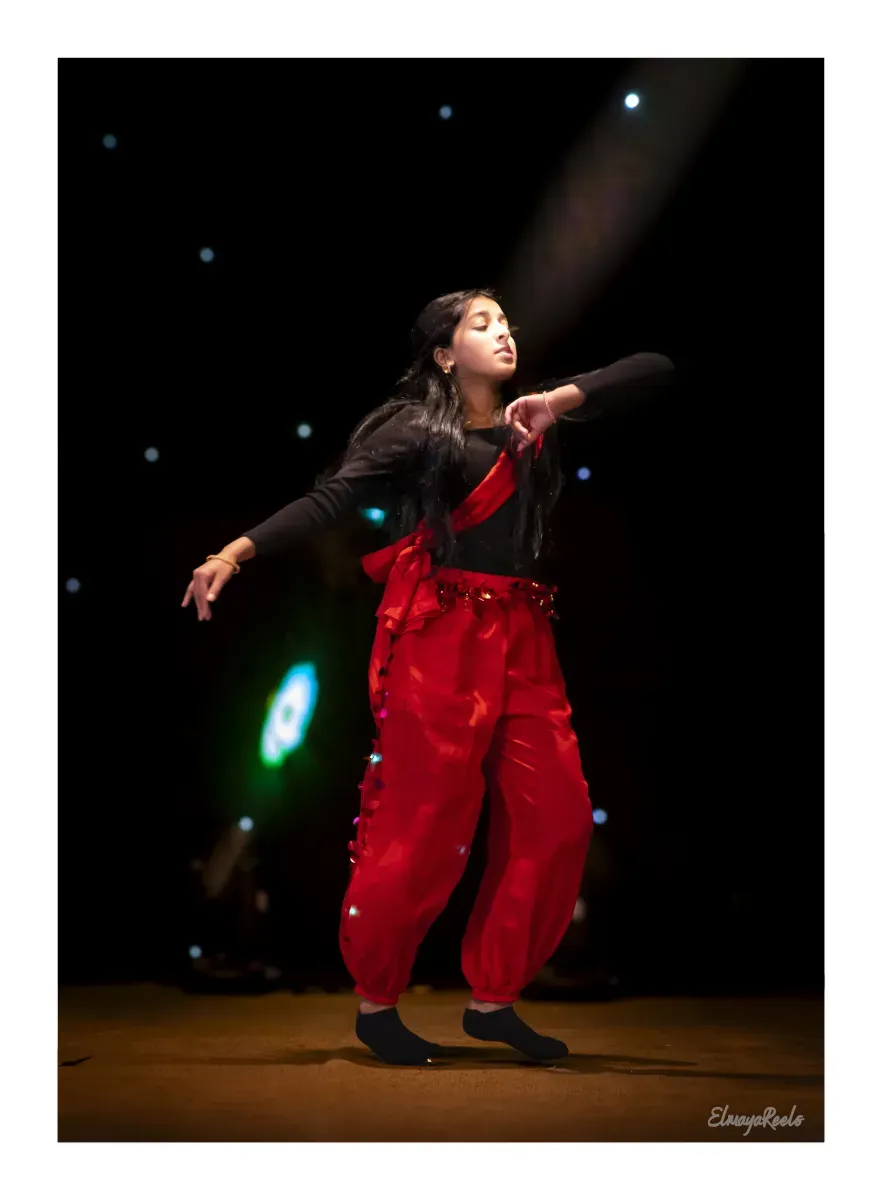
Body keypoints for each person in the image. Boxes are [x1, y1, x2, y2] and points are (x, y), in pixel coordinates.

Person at [182, 289, 673, 1064]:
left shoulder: (534, 417)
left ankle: (494, 1000)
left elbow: (657, 368)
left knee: (560, 814)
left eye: (506, 321)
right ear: (444, 355)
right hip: (442, 632)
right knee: (424, 821)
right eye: (481, 323)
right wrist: (233, 553)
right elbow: (331, 499)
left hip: (523, 634)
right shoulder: (415, 428)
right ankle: (377, 1002)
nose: (503, 332)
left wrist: (561, 400)